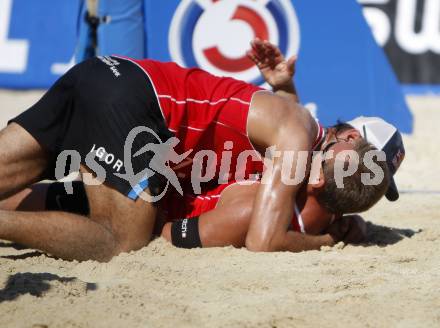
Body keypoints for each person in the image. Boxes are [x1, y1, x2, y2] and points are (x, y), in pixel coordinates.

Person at [0, 40, 390, 261]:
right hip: (140, 106)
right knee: (119, 241)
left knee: (50, 189)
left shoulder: (296, 130)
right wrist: (327, 240)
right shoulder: (297, 142)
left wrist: (284, 89)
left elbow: (289, 134)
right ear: (352, 138)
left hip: (109, 74)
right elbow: (263, 239)